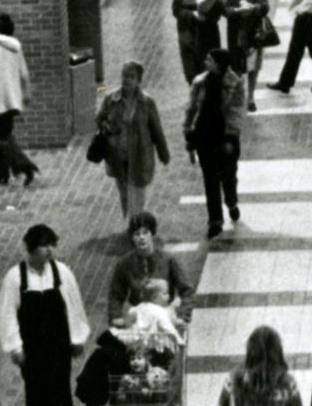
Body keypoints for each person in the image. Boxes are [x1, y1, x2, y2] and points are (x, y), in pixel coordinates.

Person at [0, 223, 90, 406]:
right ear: (31, 248)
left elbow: (74, 306)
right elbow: (7, 314)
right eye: (43, 246)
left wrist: (77, 339)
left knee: (61, 394)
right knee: (36, 394)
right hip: (33, 350)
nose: (49, 251)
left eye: (52, 245)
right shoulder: (15, 278)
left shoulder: (62, 274)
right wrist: (15, 347)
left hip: (59, 347)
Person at [93, 62, 170, 224]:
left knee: (138, 192)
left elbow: (156, 130)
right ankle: (130, 222)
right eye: (124, 76)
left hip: (140, 154)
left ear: (139, 80)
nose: (127, 80)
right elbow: (99, 119)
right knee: (124, 192)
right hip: (118, 155)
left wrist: (164, 154)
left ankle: (137, 223)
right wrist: (107, 129)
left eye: (131, 77)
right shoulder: (111, 99)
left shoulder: (147, 102)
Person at [186, 46, 245, 239]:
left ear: (218, 64)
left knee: (228, 175)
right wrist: (188, 130)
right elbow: (192, 108)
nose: (205, 62)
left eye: (209, 60)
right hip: (204, 136)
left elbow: (236, 113)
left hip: (225, 138)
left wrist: (229, 137)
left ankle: (231, 201)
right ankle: (215, 221)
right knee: (210, 180)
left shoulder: (235, 83)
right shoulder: (200, 82)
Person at [0, 14, 41, 191]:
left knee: (1, 138)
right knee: (5, 134)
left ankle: (25, 166)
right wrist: (27, 93)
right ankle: (2, 174)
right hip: (13, 98)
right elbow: (24, 73)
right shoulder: (16, 47)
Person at [105, 210, 194, 315]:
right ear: (132, 238)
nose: (142, 237)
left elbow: (187, 290)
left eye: (145, 232)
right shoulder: (124, 263)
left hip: (165, 313)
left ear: (152, 234)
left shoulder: (168, 259)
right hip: (138, 315)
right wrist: (116, 316)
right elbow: (115, 294)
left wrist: (184, 314)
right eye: (137, 234)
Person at [220, 0, 273, 96]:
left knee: (253, 64)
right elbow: (223, 9)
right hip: (235, 30)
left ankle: (251, 96)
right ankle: (240, 94)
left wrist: (254, 8)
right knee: (236, 62)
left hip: (252, 28)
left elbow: (265, 5)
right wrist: (236, 11)